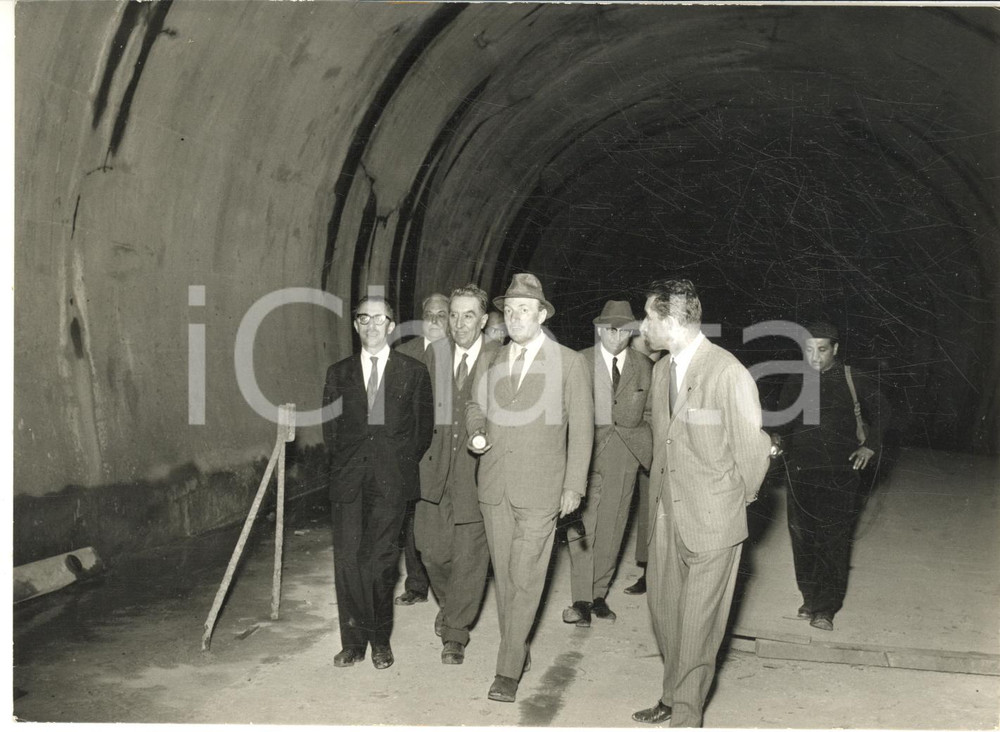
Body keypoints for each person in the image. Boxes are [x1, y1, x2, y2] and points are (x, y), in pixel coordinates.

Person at [633, 279, 773, 727]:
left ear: (670, 322)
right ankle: (673, 696)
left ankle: (685, 717)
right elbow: (664, 441)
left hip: (713, 520)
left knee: (698, 624)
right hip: (666, 515)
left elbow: (752, 451)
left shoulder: (727, 372)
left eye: (648, 317)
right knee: (667, 614)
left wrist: (733, 501)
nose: (642, 325)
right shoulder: (660, 370)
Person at [467, 273, 593, 703]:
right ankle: (516, 649)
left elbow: (582, 430)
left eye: (526, 309)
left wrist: (574, 485)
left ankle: (506, 669)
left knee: (526, 576)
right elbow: (474, 405)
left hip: (542, 488)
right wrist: (476, 432)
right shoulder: (491, 359)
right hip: (495, 484)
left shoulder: (570, 363)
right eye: (511, 310)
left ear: (542, 315)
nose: (517, 316)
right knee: (505, 577)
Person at [322, 295, 433, 670]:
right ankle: (353, 643)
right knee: (348, 561)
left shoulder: (413, 372)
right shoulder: (338, 373)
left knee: (381, 562)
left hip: (392, 481)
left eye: (379, 319)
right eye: (363, 319)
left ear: (391, 326)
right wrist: (351, 465)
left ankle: (380, 641)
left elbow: (421, 431)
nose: (371, 326)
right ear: (356, 326)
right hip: (348, 481)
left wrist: (394, 465)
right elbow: (331, 432)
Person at [773, 321, 889, 632]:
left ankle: (826, 608)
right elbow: (783, 422)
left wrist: (870, 447)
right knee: (802, 537)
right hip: (800, 471)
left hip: (841, 473)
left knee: (832, 539)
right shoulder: (797, 379)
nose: (815, 356)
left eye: (822, 350)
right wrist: (775, 443)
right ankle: (809, 598)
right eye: (809, 349)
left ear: (835, 350)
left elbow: (883, 412)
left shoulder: (853, 378)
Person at [414, 284, 499, 664]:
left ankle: (456, 633)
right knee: (430, 550)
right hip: (432, 470)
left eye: (468, 316)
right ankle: (450, 607)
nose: (459, 323)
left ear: (483, 321)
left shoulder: (499, 358)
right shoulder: (436, 353)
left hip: (476, 471)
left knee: (469, 556)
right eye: (454, 315)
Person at [563, 301, 652, 627]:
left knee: (613, 529)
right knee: (583, 529)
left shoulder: (644, 366)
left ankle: (599, 594)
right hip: (586, 457)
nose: (617, 336)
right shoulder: (580, 361)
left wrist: (647, 447)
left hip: (625, 457)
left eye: (625, 330)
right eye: (611, 329)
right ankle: (581, 599)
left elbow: (652, 413)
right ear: (599, 329)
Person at [393, 293, 450, 606]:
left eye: (443, 314)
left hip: (444, 449)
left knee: (440, 520)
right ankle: (416, 584)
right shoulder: (404, 352)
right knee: (411, 518)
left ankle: (446, 588)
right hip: (411, 450)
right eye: (430, 313)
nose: (436, 320)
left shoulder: (460, 355)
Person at [623, 332, 665, 596]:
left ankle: (656, 573)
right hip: (636, 437)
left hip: (660, 441)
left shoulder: (663, 362)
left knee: (658, 513)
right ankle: (649, 570)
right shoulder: (635, 345)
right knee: (648, 512)